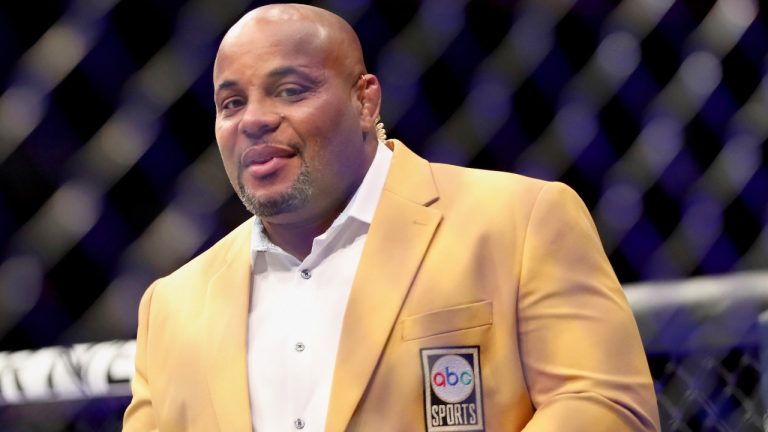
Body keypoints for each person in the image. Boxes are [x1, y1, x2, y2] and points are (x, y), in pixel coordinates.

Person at [123, 3, 660, 431]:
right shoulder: (171, 307)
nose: (256, 120)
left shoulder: (518, 220)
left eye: (289, 90)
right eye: (232, 103)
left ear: (365, 101)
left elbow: (605, 406)